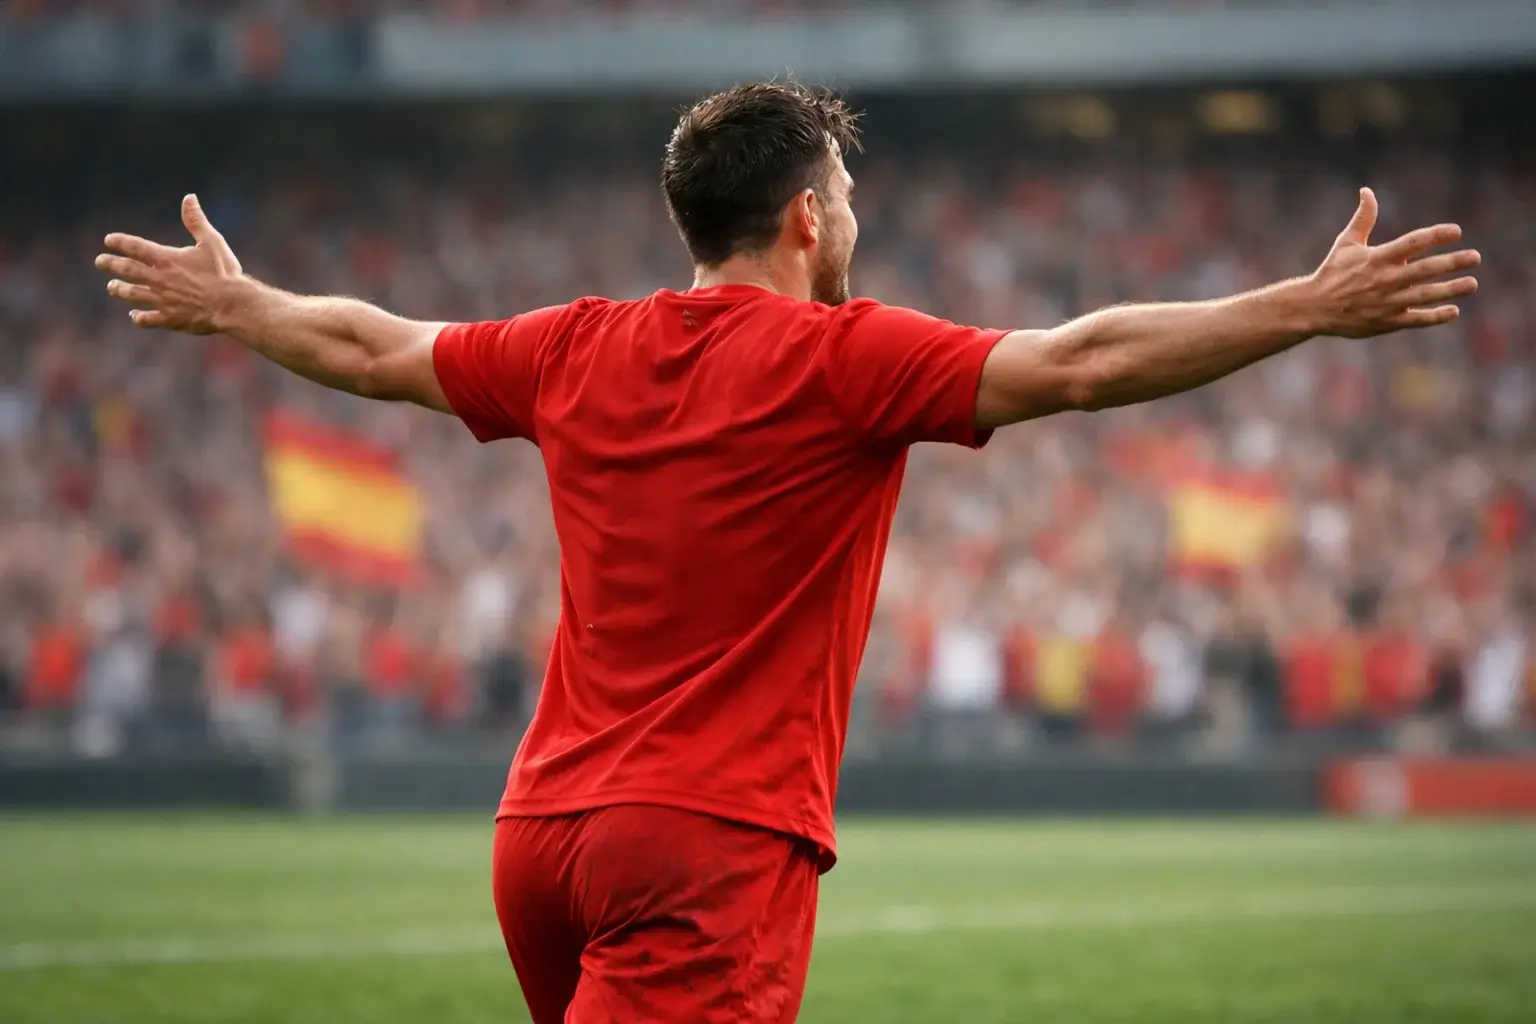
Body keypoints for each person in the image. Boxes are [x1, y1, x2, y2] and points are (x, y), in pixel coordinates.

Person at [94, 81, 1479, 1023]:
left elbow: (371, 347)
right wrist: (1307, 307)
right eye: (850, 201)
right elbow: (1079, 364)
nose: (857, 225)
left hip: (539, 839)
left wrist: (240, 304)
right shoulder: (841, 360)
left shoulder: (572, 343)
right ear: (807, 218)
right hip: (704, 843)